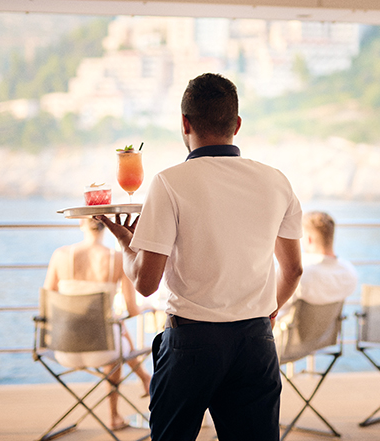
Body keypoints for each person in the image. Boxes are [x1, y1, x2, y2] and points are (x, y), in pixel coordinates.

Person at [97, 72, 304, 441]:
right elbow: (294, 269)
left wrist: (127, 245)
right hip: (255, 341)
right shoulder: (276, 181)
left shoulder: (170, 182)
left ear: (184, 123)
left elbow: (146, 284)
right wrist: (269, 313)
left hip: (192, 344)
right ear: (237, 124)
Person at [43, 218, 152, 431]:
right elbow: (132, 310)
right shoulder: (117, 258)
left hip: (63, 349)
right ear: (107, 225)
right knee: (115, 332)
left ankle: (144, 379)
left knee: (113, 330)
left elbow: (48, 300)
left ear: (81, 224)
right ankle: (114, 415)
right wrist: (149, 307)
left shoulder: (61, 255)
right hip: (104, 351)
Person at [278, 211, 358, 320]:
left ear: (309, 239)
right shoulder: (349, 272)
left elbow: (277, 307)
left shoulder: (301, 274)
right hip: (329, 336)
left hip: (292, 335)